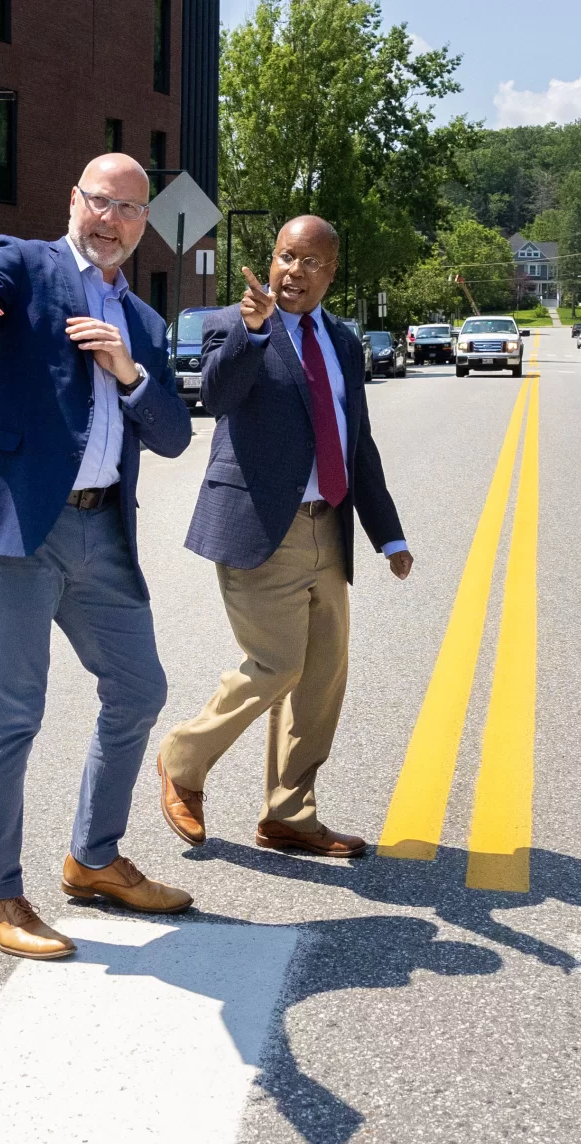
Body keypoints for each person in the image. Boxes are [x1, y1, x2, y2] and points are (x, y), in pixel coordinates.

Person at [0, 152, 196, 961]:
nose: (112, 220)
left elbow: (171, 435)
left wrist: (128, 373)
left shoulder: (144, 322)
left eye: (130, 210)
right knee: (13, 713)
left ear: (143, 227)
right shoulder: (22, 263)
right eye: (101, 201)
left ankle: (93, 859)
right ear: (75, 199)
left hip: (102, 533)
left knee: (139, 688)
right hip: (21, 530)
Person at [155, 215, 413, 858]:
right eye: (284, 257)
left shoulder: (345, 345)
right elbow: (215, 396)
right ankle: (182, 759)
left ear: (331, 272)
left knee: (321, 677)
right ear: (270, 261)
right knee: (277, 664)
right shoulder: (232, 325)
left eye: (309, 262)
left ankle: (289, 814)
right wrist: (250, 331)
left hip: (329, 525)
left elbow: (358, 444)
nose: (293, 271)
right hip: (259, 527)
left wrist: (388, 535)